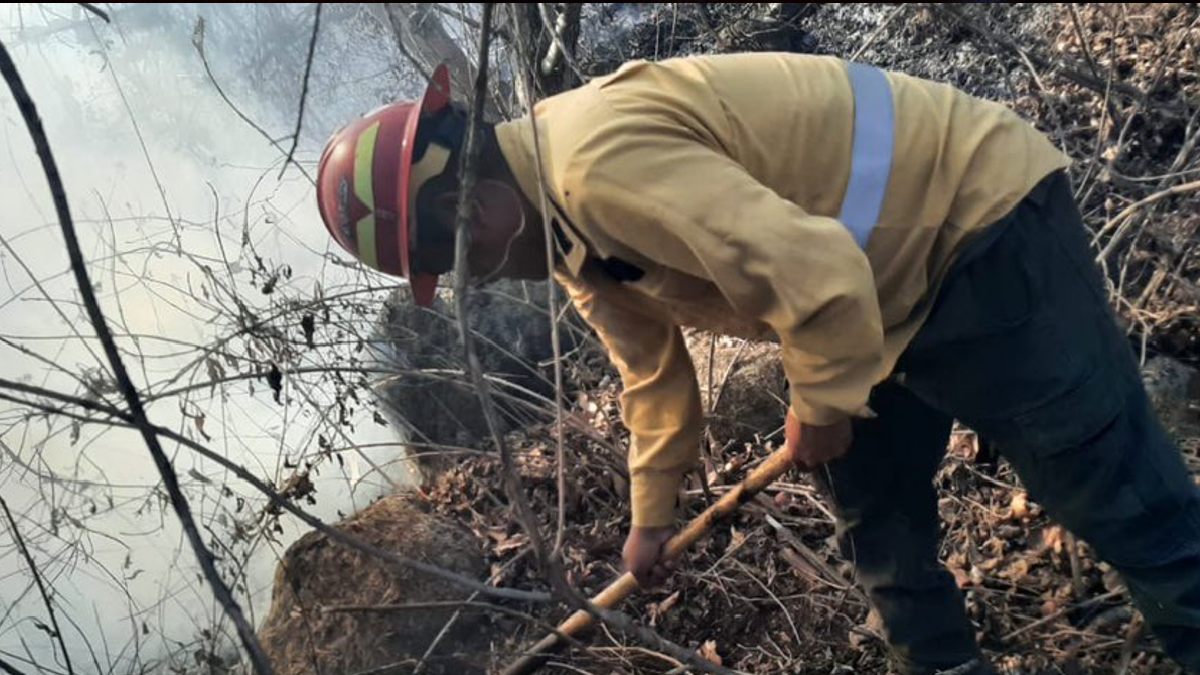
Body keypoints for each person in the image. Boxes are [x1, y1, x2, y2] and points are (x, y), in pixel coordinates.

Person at [315, 53, 1200, 674]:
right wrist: (651, 519)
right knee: (883, 533)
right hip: (878, 302)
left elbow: (812, 269)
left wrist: (820, 402)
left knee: (1123, 503)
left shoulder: (593, 167)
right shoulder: (564, 235)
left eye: (460, 259)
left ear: (468, 208)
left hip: (975, 227)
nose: (480, 276)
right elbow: (652, 378)